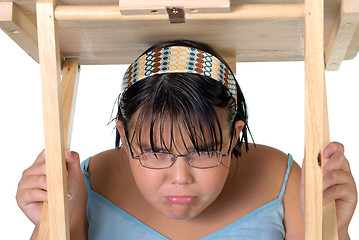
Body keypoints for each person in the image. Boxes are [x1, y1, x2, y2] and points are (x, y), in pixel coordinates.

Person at [16, 40, 357, 240]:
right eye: (154, 150)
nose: (180, 178)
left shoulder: (283, 179)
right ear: (125, 135)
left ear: (234, 135)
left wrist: (336, 230)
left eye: (204, 150)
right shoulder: (85, 185)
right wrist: (46, 227)